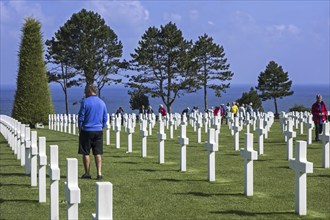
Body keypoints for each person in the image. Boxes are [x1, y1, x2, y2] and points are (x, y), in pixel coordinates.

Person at [78, 84, 108, 180]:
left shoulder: (85, 102)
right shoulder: (102, 103)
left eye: (86, 91)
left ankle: (87, 173)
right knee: (97, 153)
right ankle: (99, 173)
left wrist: (80, 128)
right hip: (98, 130)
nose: (85, 93)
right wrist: (101, 126)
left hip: (86, 130)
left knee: (86, 153)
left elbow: (81, 117)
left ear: (90, 91)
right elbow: (105, 117)